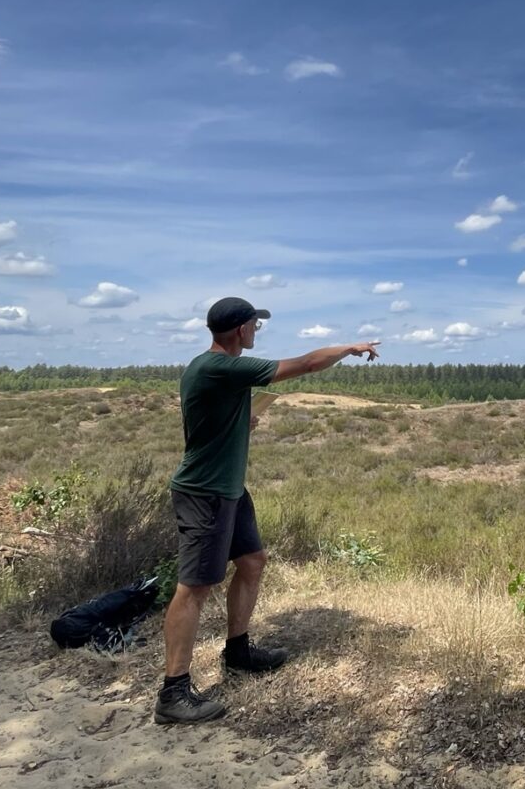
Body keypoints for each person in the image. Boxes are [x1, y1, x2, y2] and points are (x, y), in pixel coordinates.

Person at [154, 296, 379, 725]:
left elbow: (207, 424)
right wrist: (349, 348)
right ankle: (173, 692)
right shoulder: (221, 366)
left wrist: (243, 422)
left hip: (228, 489)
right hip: (205, 493)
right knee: (195, 588)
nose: (257, 331)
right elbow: (308, 364)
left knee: (253, 562)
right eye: (255, 325)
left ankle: (237, 651)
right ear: (241, 329)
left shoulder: (214, 372)